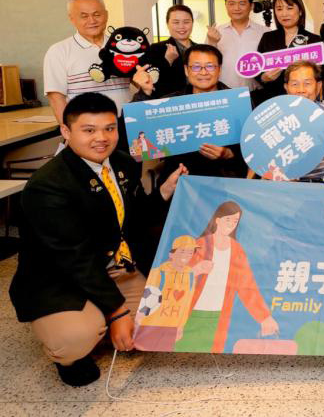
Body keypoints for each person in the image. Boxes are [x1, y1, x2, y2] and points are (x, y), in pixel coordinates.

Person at [9, 92, 186, 386]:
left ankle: (102, 317)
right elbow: (73, 258)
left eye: (109, 128)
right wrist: (117, 313)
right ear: (66, 131)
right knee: (76, 337)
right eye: (89, 130)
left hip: (116, 266)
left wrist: (165, 191)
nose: (101, 138)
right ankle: (71, 349)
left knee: (163, 319)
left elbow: (133, 218)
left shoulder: (122, 162)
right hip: (62, 277)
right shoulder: (48, 185)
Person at [175, 201, 279, 353]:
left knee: (211, 356)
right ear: (217, 220)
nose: (231, 224)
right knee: (180, 352)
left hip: (218, 316)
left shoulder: (236, 249)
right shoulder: (200, 244)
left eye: (235, 221)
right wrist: (195, 270)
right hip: (191, 313)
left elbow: (247, 286)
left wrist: (264, 317)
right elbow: (176, 277)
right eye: (228, 219)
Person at [133, 44, 246, 183]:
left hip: (227, 181)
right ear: (186, 70)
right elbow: (138, 141)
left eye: (210, 66)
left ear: (219, 70)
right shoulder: (170, 104)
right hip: (179, 181)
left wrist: (228, 154)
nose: (203, 72)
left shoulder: (237, 102)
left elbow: (254, 149)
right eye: (196, 67)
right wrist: (144, 93)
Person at [44, 0, 133, 124]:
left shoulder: (125, 46)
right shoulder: (58, 51)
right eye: (84, 16)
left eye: (97, 14)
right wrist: (67, 129)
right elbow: (56, 98)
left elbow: (142, 82)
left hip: (127, 124)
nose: (92, 21)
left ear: (106, 15)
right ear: (72, 19)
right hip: (86, 129)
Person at [253, 0, 322, 100]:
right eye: (279, 9)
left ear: (300, 11)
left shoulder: (314, 40)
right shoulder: (267, 37)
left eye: (289, 8)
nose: (284, 14)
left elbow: (321, 73)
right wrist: (264, 78)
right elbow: (257, 68)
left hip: (304, 98)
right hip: (274, 99)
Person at [206, 0, 268, 90]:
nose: (236, 8)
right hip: (223, 91)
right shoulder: (215, 32)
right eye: (231, 4)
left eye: (242, 4)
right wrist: (212, 42)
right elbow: (206, 63)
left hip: (255, 92)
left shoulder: (265, 32)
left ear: (251, 6)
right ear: (226, 6)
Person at [142, 4, 194, 98]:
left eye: (186, 22)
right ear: (167, 24)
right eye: (176, 22)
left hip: (199, 101)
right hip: (170, 102)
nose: (181, 26)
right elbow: (151, 83)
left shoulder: (199, 48)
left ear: (192, 23)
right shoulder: (156, 49)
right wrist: (167, 61)